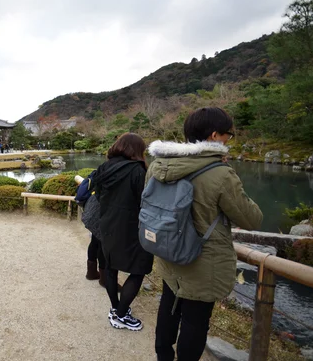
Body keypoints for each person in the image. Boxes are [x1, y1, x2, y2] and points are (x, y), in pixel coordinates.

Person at [148, 107, 263, 361]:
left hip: (168, 251)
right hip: (203, 261)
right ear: (214, 136)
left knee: (169, 306)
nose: (228, 141)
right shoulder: (220, 173)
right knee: (195, 322)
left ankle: (163, 356)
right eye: (227, 135)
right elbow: (252, 219)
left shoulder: (158, 165)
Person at [93, 132, 152, 331]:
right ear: (137, 151)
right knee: (139, 268)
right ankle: (120, 314)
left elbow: (99, 196)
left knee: (110, 268)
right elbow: (144, 202)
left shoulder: (104, 167)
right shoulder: (137, 171)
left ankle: (115, 308)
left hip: (106, 225)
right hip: (131, 229)